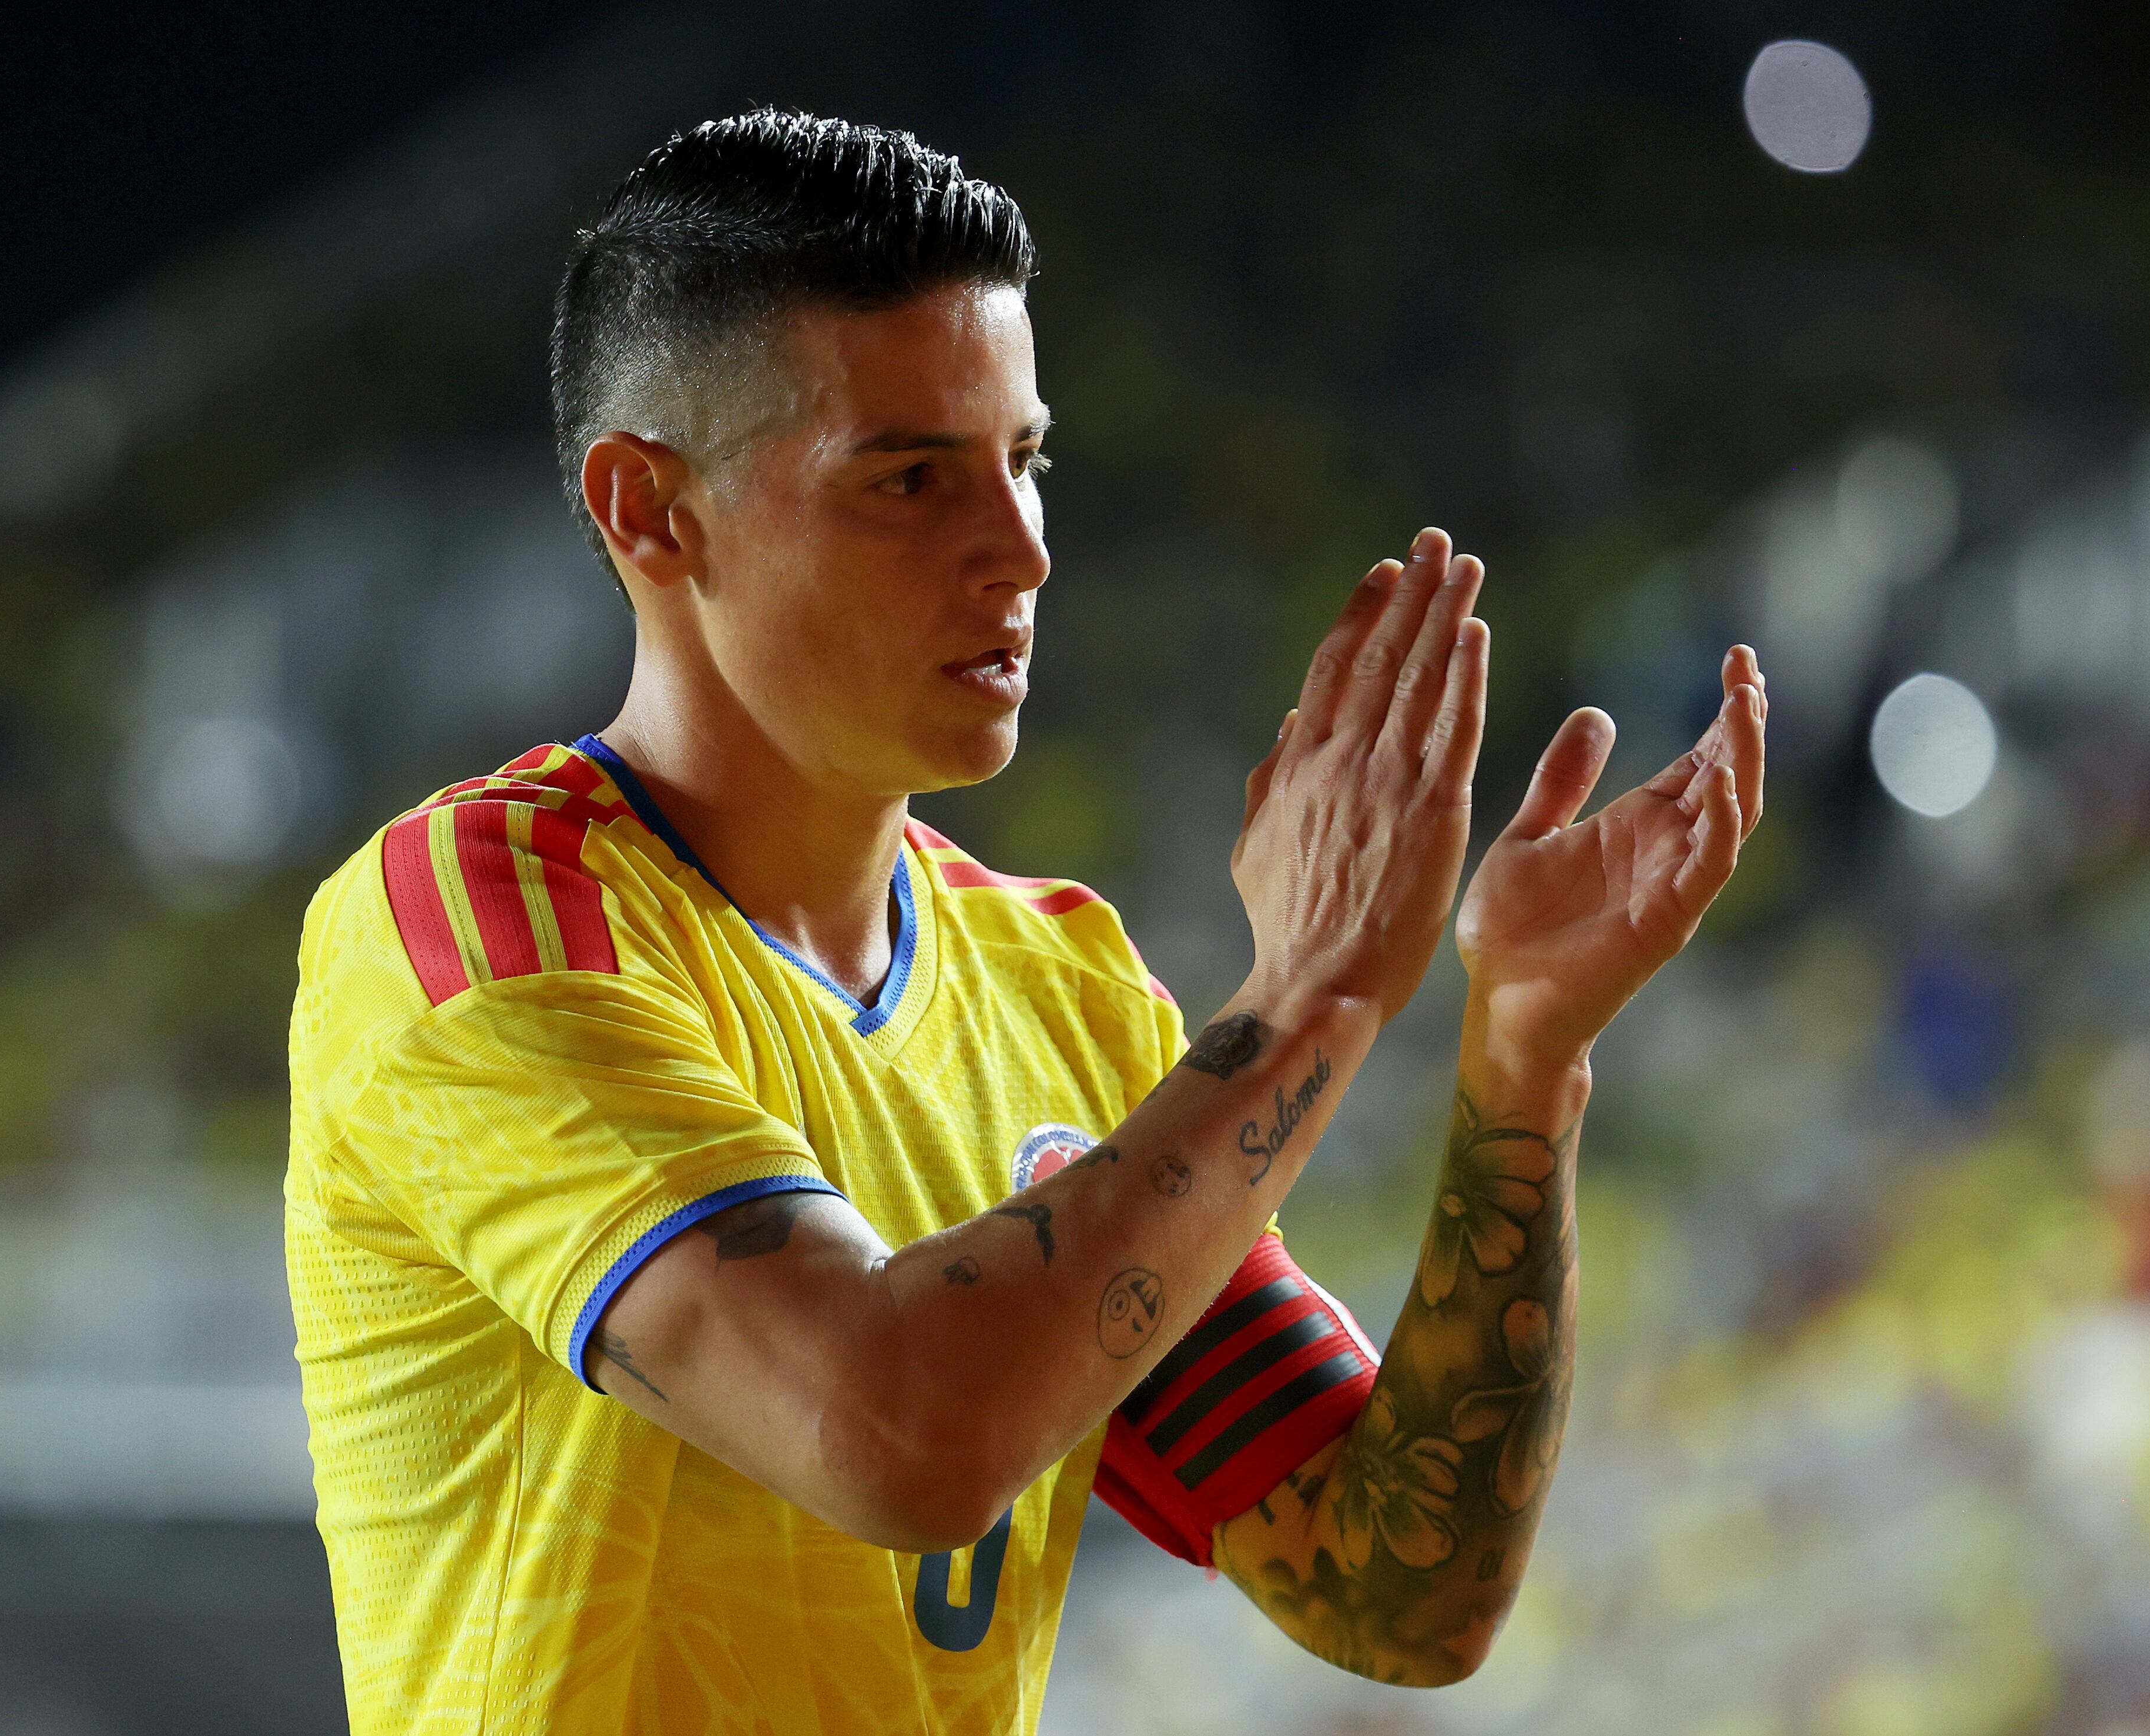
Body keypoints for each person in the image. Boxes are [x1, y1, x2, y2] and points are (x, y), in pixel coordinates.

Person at [284, 109, 1767, 1734]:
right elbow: (896, 1436)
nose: (1023, 549)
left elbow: (1393, 1582)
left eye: (1027, 461)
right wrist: (1320, 995)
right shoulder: (476, 930)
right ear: (653, 512)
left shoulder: (1057, 986)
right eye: (910, 477)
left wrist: (1527, 1048)